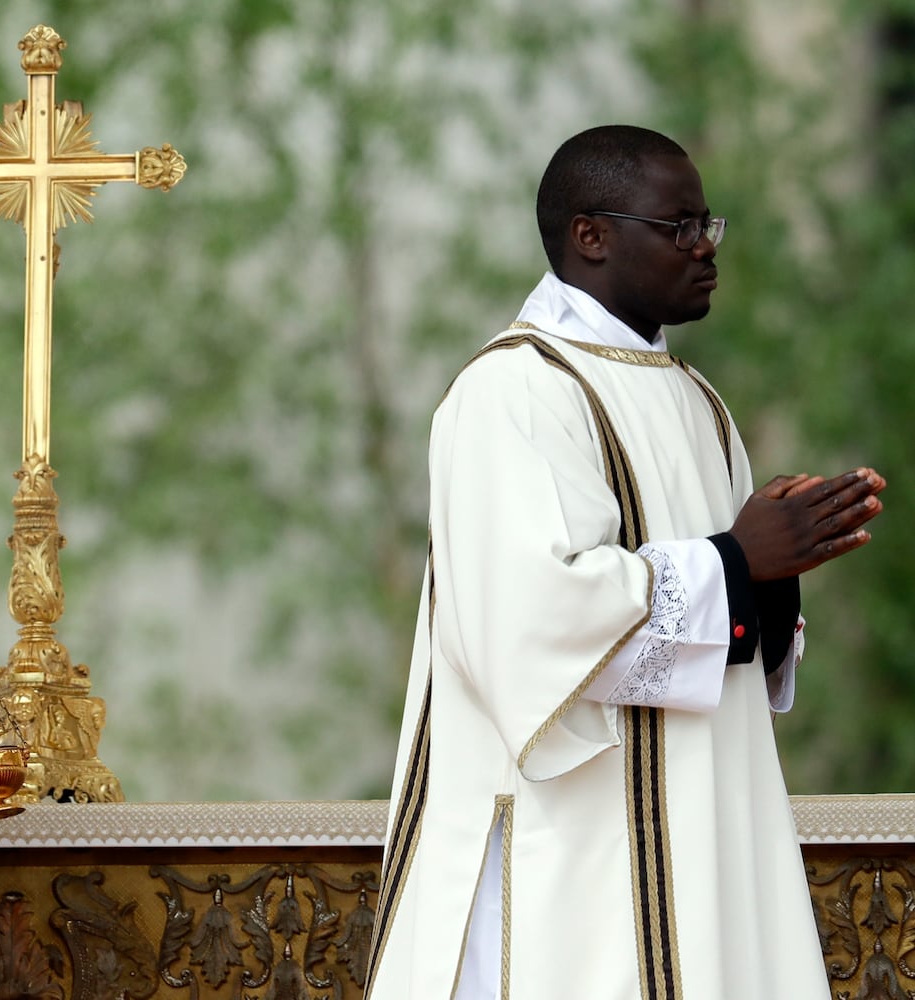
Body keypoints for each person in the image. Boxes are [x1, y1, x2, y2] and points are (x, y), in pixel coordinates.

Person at [363, 124, 886, 999]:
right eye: (677, 227)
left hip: (701, 827)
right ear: (590, 236)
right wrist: (733, 558)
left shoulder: (697, 402)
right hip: (573, 847)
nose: (704, 250)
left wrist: (774, 566)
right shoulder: (512, 391)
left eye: (706, 226)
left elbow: (729, 645)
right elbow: (531, 619)